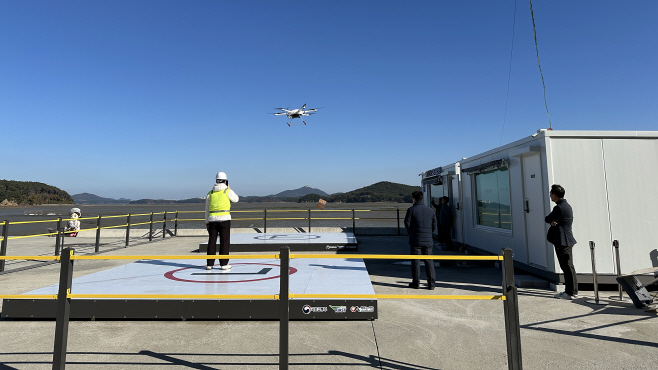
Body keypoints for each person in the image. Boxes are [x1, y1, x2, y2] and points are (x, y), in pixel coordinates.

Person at [545, 184, 578, 300]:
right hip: (567, 240)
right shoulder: (566, 206)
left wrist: (552, 221)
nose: (550, 196)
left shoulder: (558, 207)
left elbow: (547, 218)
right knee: (569, 267)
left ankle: (569, 292)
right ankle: (573, 291)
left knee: (566, 267)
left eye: (551, 194)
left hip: (562, 241)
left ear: (555, 195)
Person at [205, 172, 239, 270]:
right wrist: (229, 188)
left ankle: (209, 264)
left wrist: (206, 221)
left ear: (216, 180)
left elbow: (206, 209)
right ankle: (224, 264)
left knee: (212, 241)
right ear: (225, 181)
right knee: (224, 241)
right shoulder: (227, 191)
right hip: (224, 220)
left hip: (212, 220)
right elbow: (236, 199)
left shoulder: (210, 193)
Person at [404, 191, 438, 290]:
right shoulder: (430, 210)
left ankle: (416, 282)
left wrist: (412, 233)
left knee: (415, 261)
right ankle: (431, 283)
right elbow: (434, 225)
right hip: (428, 239)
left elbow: (407, 224)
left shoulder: (411, 210)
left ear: (413, 199)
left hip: (415, 239)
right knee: (429, 261)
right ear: (422, 198)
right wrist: (428, 233)